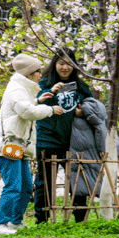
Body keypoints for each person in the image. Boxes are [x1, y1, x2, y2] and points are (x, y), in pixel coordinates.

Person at [0, 54, 64, 234]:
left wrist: (38, 100)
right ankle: (0, 225)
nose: (40, 75)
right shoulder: (16, 89)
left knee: (27, 186)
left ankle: (15, 222)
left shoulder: (21, 89)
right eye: (37, 71)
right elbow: (27, 112)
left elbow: (20, 108)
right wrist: (50, 109)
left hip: (17, 145)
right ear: (28, 73)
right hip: (7, 144)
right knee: (13, 186)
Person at [34, 48, 93, 224]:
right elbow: (34, 105)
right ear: (55, 65)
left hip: (74, 142)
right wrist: (51, 91)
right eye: (61, 63)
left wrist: (84, 112)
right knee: (45, 182)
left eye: (69, 63)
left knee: (77, 180)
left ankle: (79, 219)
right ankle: (42, 220)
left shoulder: (81, 86)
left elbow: (91, 106)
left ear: (74, 66)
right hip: (48, 139)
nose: (65, 67)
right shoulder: (44, 83)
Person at [69, 92, 112, 222]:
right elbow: (101, 131)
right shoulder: (98, 111)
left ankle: (79, 219)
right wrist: (102, 150)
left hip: (80, 155)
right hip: (93, 155)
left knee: (78, 184)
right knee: (88, 183)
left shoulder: (81, 113)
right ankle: (103, 215)